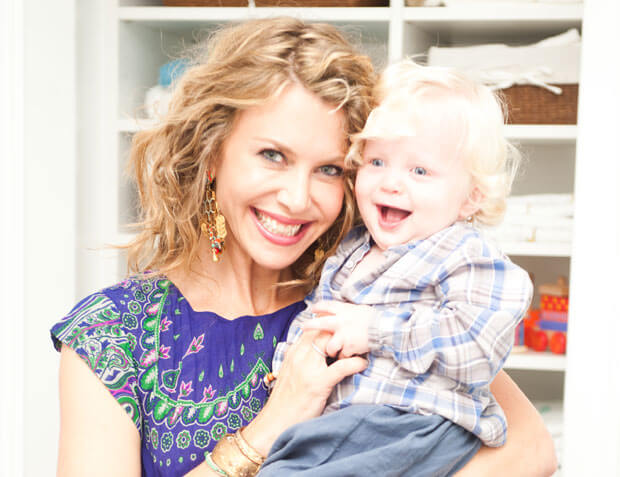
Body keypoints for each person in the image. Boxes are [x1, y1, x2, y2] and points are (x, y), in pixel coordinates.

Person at [51, 18, 557, 477]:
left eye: (329, 169)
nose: (297, 198)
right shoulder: (114, 335)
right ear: (211, 154)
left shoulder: (371, 289)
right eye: (273, 155)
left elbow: (532, 450)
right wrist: (271, 425)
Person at [263, 59, 534, 477]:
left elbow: (477, 347)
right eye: (377, 163)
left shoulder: (467, 254)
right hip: (346, 424)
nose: (391, 182)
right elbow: (319, 318)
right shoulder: (353, 247)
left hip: (414, 423)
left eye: (420, 170)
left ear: (471, 198)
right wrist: (288, 368)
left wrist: (374, 330)